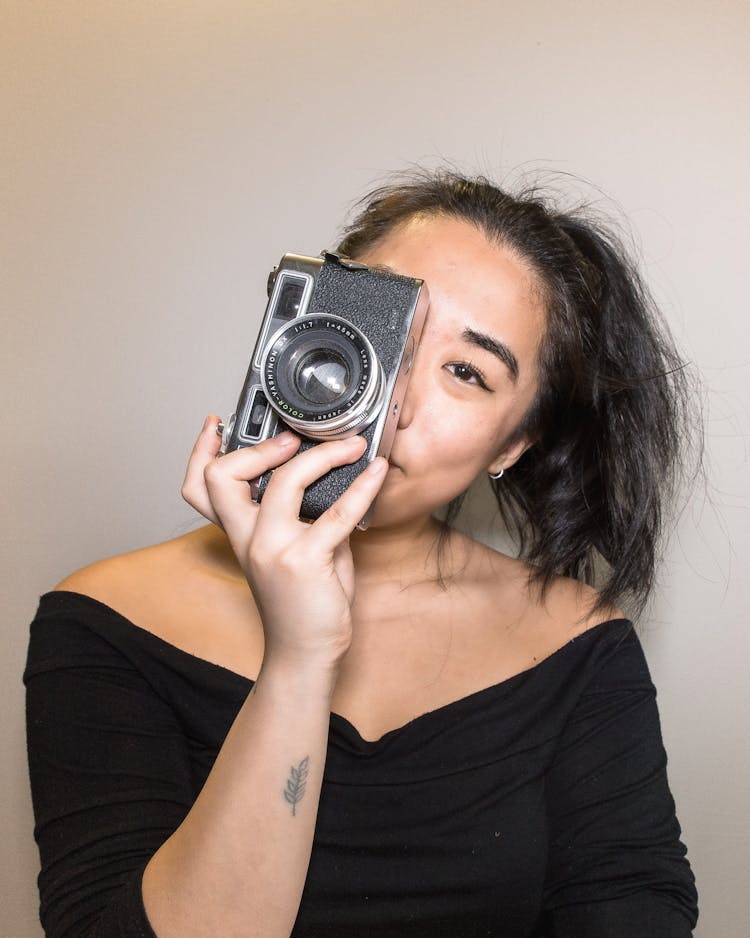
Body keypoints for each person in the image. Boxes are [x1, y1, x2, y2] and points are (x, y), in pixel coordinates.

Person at [25, 170, 699, 937]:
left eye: (466, 372)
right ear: (305, 316)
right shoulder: (106, 617)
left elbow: (634, 910)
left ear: (510, 445)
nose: (394, 399)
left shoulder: (576, 641)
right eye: (385, 332)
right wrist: (300, 655)